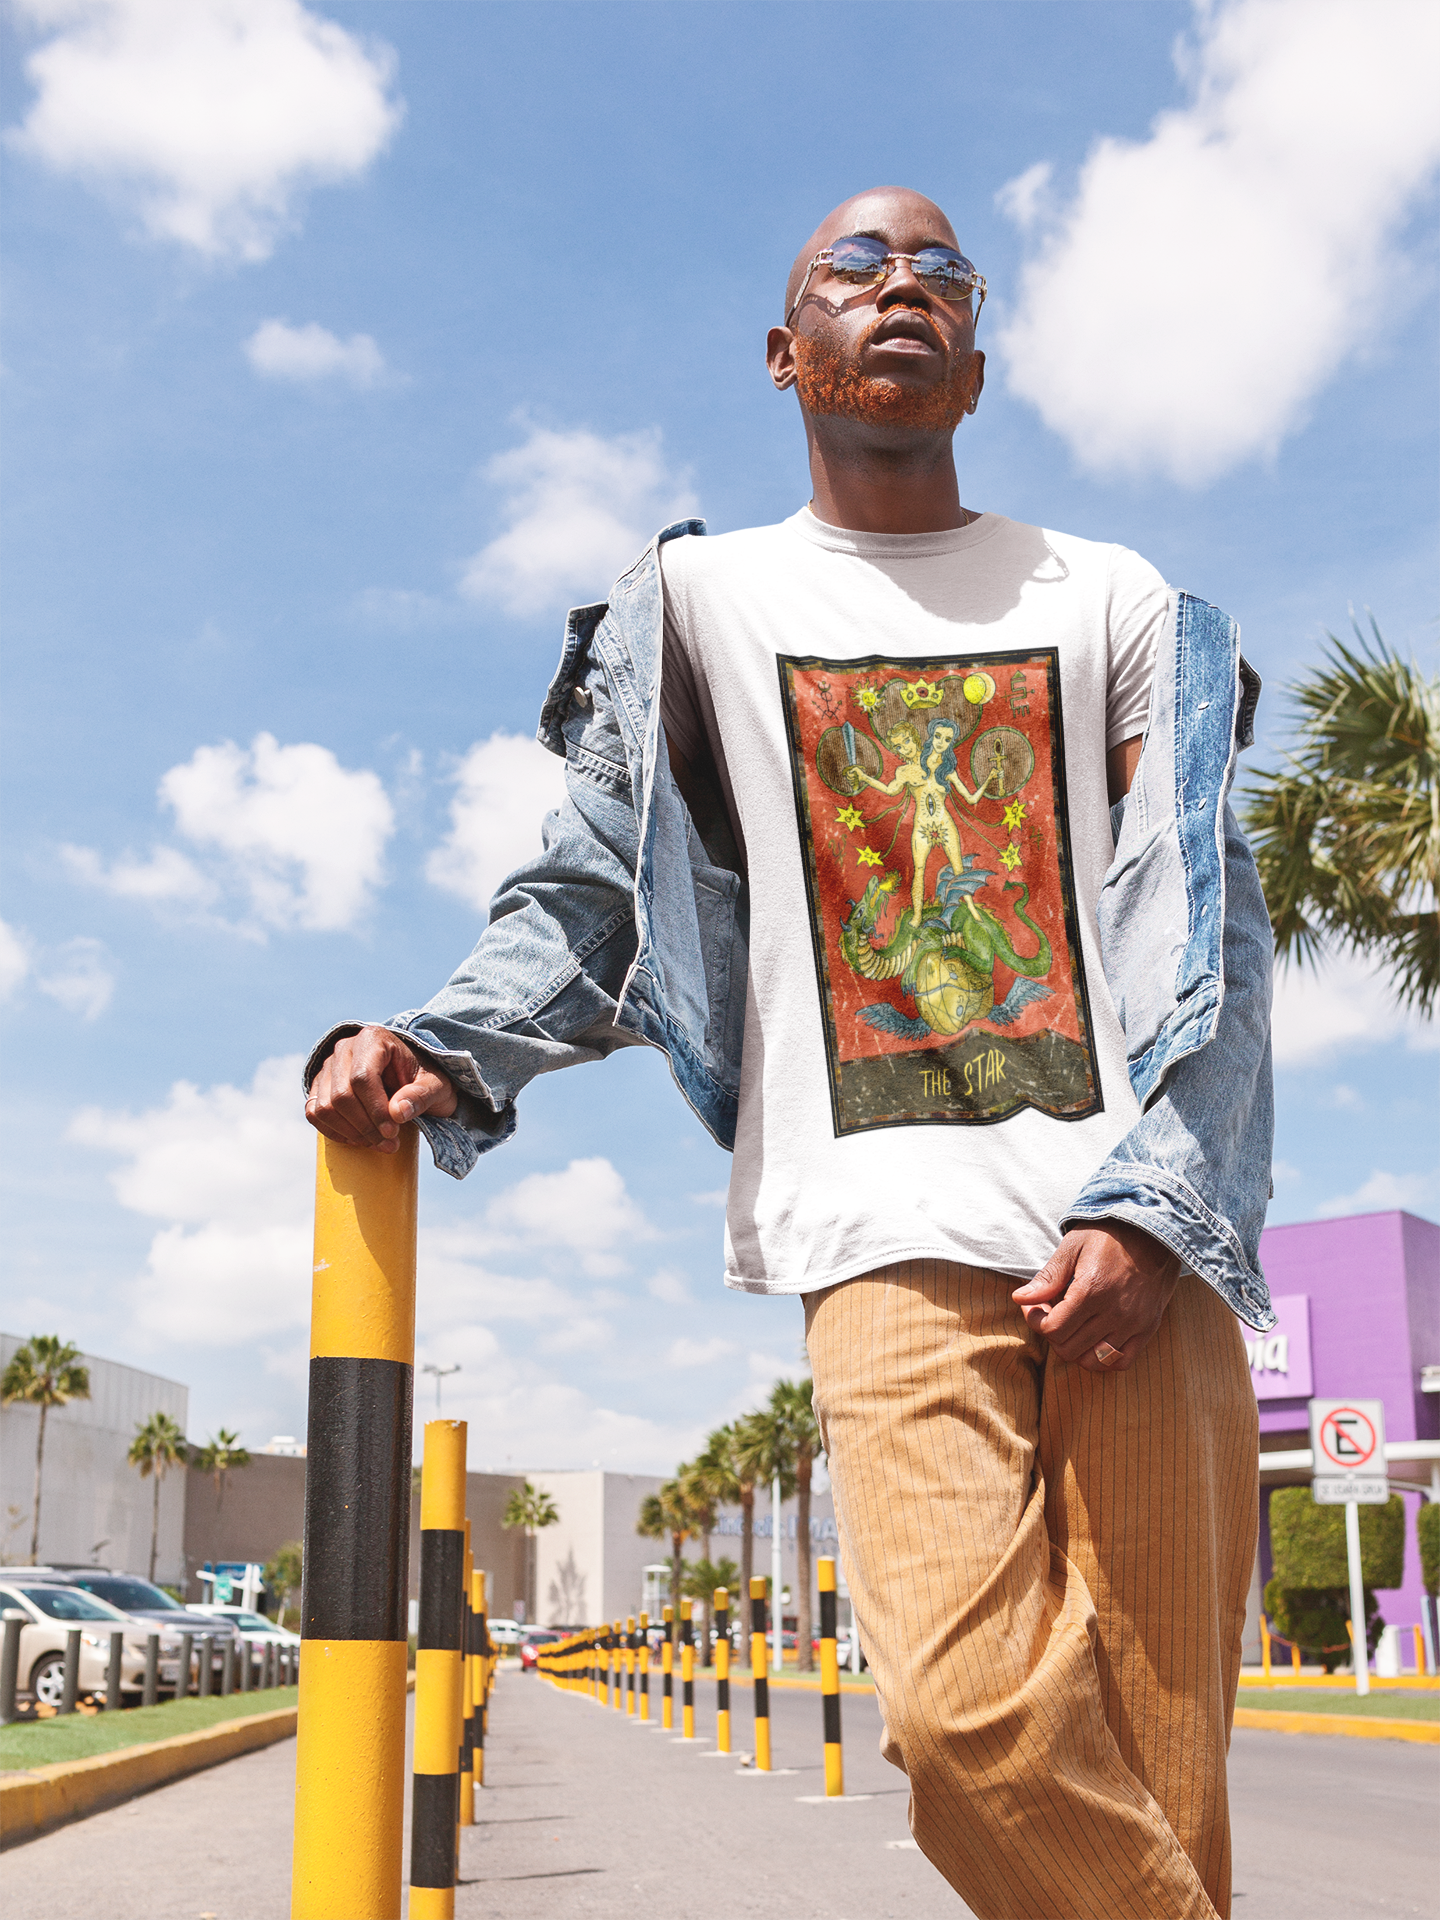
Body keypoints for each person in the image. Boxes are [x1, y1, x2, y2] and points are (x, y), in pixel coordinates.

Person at [305, 187, 1274, 1920]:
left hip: (1129, 1229)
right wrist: (446, 1042)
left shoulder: (1111, 595)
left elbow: (1207, 920)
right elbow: (603, 882)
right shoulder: (702, 602)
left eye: (942, 275)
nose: (902, 285)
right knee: (966, 1722)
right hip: (882, 1233)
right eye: (856, 266)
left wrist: (1158, 1202)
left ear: (975, 363)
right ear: (785, 352)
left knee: (1156, 1755)